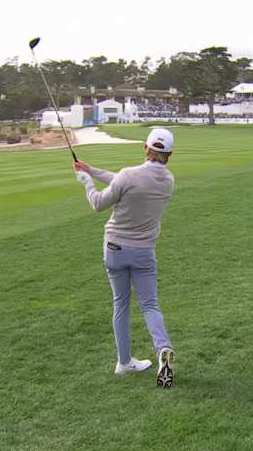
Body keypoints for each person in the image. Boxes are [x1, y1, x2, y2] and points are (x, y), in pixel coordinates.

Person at [73, 127, 177, 387]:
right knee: (150, 305)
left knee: (121, 303)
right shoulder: (168, 181)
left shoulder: (129, 175)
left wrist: (86, 181)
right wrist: (92, 169)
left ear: (145, 147)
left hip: (115, 249)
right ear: (169, 154)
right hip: (144, 252)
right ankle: (162, 348)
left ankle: (124, 362)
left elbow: (99, 202)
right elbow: (122, 182)